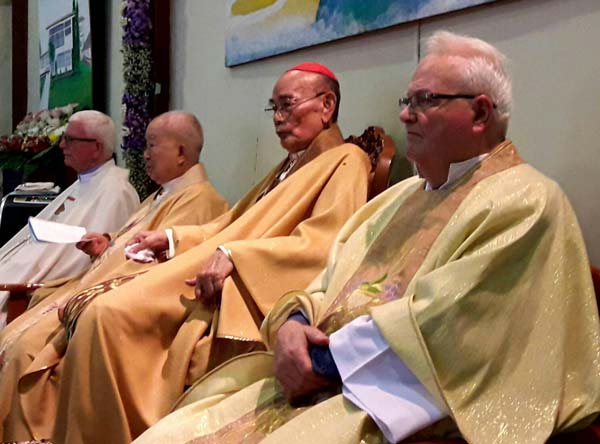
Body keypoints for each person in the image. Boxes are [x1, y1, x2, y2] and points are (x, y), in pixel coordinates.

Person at [132, 31, 600, 444]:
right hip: (320, 377)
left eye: (424, 101)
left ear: (479, 112)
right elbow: (328, 278)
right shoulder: (398, 198)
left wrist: (318, 364)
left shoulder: (525, 201)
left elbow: (451, 327)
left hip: (385, 397)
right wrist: (293, 322)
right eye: (406, 100)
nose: (406, 115)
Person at [2, 62, 373, 443]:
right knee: (95, 309)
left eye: (287, 105)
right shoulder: (287, 166)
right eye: (274, 107)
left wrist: (236, 256)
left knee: (105, 314)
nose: (278, 118)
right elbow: (229, 224)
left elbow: (324, 243)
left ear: (326, 105)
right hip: (210, 264)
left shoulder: (346, 159)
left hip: (240, 283)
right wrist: (171, 239)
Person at [0, 110, 228, 441]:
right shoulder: (163, 193)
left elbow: (162, 270)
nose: (144, 154)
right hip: (97, 288)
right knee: (16, 338)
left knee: (26, 351)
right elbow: (131, 245)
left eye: (152, 145)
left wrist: (95, 281)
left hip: (121, 307)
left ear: (181, 152)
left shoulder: (201, 201)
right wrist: (106, 244)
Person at [0, 110, 139, 330]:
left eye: (70, 139)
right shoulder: (84, 182)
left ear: (97, 148)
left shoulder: (116, 192)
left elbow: (93, 262)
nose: (62, 145)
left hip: (37, 290)